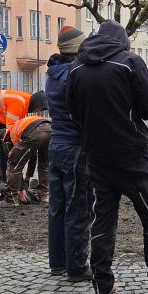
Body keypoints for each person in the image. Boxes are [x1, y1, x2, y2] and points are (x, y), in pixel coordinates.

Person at [66, 20, 148, 294]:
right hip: (132, 156)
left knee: (103, 221)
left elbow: (73, 113)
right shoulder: (130, 62)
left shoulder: (76, 68)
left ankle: (102, 287)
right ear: (122, 41)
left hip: (97, 157)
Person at [45, 26, 91, 280]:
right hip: (74, 147)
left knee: (57, 206)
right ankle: (76, 267)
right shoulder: (74, 74)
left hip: (56, 145)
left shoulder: (53, 73)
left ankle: (58, 263)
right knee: (77, 207)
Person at [3, 115, 51, 205]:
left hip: (35, 131)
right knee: (44, 165)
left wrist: (22, 189)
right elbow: (32, 157)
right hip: (50, 128)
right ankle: (44, 194)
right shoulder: (18, 129)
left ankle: (11, 199)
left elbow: (16, 164)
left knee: (13, 165)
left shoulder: (9, 137)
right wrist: (26, 181)